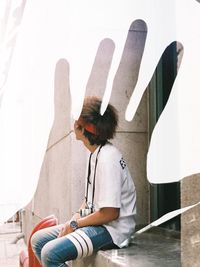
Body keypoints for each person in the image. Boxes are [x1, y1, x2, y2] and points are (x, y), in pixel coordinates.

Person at [31, 96, 136, 267]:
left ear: (83, 128)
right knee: (38, 240)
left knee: (50, 253)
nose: (73, 121)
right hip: (99, 223)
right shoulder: (95, 153)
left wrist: (74, 224)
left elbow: (110, 213)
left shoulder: (108, 159)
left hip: (113, 230)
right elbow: (88, 201)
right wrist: (72, 220)